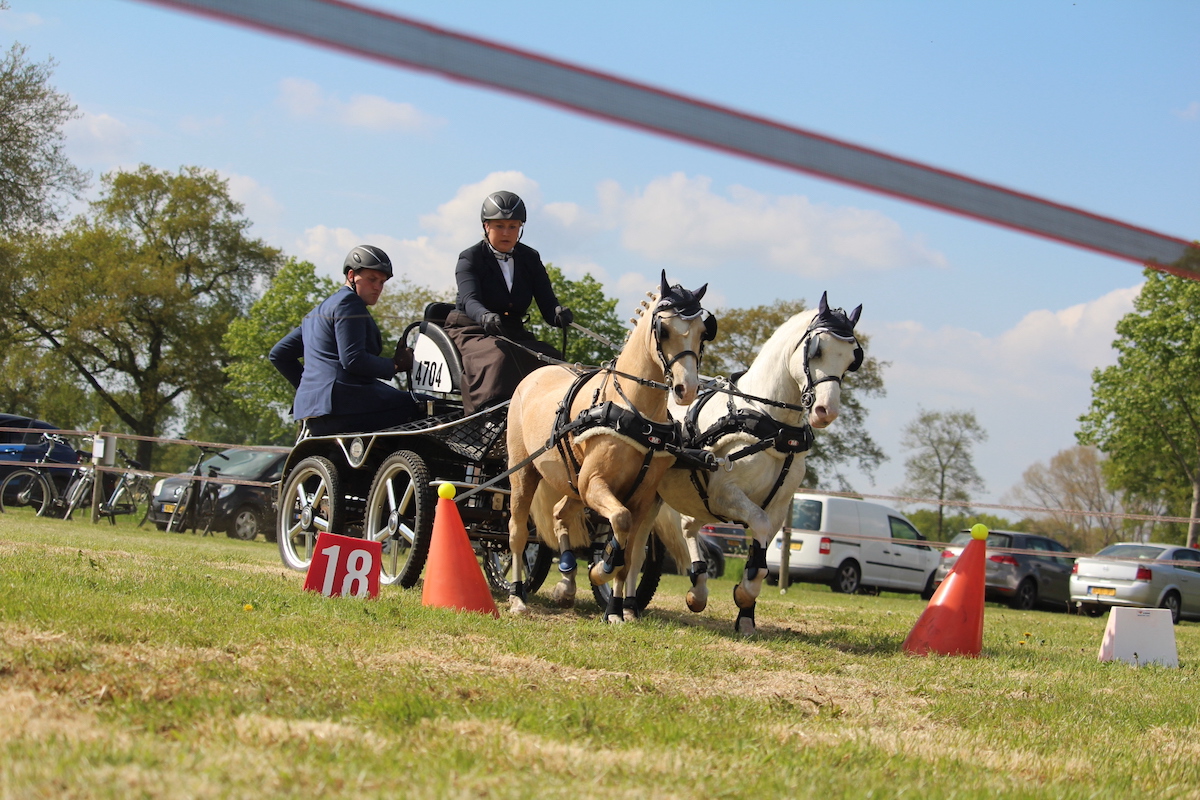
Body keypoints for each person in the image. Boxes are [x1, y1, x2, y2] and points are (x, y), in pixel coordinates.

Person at [443, 190, 573, 416]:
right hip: (472, 330)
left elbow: (547, 302)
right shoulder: (470, 257)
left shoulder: (530, 258)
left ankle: (547, 417)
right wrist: (484, 316)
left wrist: (558, 314)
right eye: (499, 226)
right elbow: (469, 299)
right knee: (499, 357)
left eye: (513, 226)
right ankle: (485, 418)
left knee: (552, 359)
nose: (506, 233)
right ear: (486, 226)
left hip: (511, 331)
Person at [270, 245, 419, 436]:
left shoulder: (316, 313)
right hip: (346, 406)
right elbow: (353, 360)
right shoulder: (349, 303)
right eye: (372, 279)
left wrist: (311, 390)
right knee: (427, 406)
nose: (377, 287)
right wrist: (396, 365)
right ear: (351, 275)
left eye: (382, 282)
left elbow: (279, 354)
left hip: (314, 411)